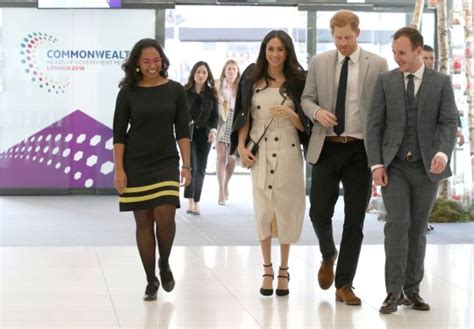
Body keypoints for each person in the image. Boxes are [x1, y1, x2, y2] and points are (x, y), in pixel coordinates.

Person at [367, 27, 457, 314]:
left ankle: (412, 290)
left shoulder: (441, 82)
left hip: (427, 168)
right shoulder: (385, 81)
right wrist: (376, 164)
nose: (397, 58)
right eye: (394, 52)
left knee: (417, 229)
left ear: (419, 51)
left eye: (402, 53)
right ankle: (392, 292)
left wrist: (442, 153)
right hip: (394, 167)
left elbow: (448, 122)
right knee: (397, 226)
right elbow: (374, 126)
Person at [301, 9, 388, 305]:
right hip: (326, 145)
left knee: (355, 220)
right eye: (338, 38)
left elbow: (381, 108)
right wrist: (316, 112)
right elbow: (306, 98)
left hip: (360, 150)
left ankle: (345, 284)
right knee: (318, 212)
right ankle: (328, 253)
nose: (343, 44)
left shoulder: (377, 64)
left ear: (358, 33)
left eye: (348, 38)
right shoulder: (320, 62)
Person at [230, 30, 310, 297]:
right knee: (263, 210)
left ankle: (284, 270)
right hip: (260, 149)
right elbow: (245, 116)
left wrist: (291, 114)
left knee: (287, 208)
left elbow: (304, 126)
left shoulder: (299, 80)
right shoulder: (252, 77)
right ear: (264, 50)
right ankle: (267, 268)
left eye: (280, 49)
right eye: (270, 49)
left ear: (288, 52)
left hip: (288, 148)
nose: (275, 54)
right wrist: (241, 147)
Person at [112, 38, 191, 301]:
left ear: (163, 61)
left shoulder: (176, 90)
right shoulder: (127, 93)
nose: (152, 65)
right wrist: (119, 170)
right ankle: (150, 280)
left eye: (156, 60)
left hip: (166, 161)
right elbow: (119, 135)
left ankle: (165, 262)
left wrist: (187, 165)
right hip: (136, 164)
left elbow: (182, 130)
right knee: (143, 223)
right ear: (136, 64)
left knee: (165, 216)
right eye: (146, 61)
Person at [184, 61, 219, 215]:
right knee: (191, 165)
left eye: (204, 72)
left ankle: (197, 201)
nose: (201, 75)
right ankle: (189, 200)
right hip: (188, 134)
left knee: (201, 168)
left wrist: (213, 130)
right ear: (193, 73)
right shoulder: (185, 92)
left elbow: (215, 116)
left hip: (205, 134)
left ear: (208, 75)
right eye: (198, 72)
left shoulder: (212, 93)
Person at [422, 45, 464, 147]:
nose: (429, 61)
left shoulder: (442, 81)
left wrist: (458, 129)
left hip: (438, 139)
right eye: (425, 58)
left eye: (432, 58)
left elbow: (451, 107)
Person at [215, 60, 240, 205]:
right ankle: (221, 191)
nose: (231, 71)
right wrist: (218, 100)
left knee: (232, 160)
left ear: (237, 72)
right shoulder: (218, 85)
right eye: (229, 69)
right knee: (220, 157)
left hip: (235, 122)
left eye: (234, 69)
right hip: (222, 120)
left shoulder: (241, 86)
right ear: (225, 71)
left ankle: (225, 184)